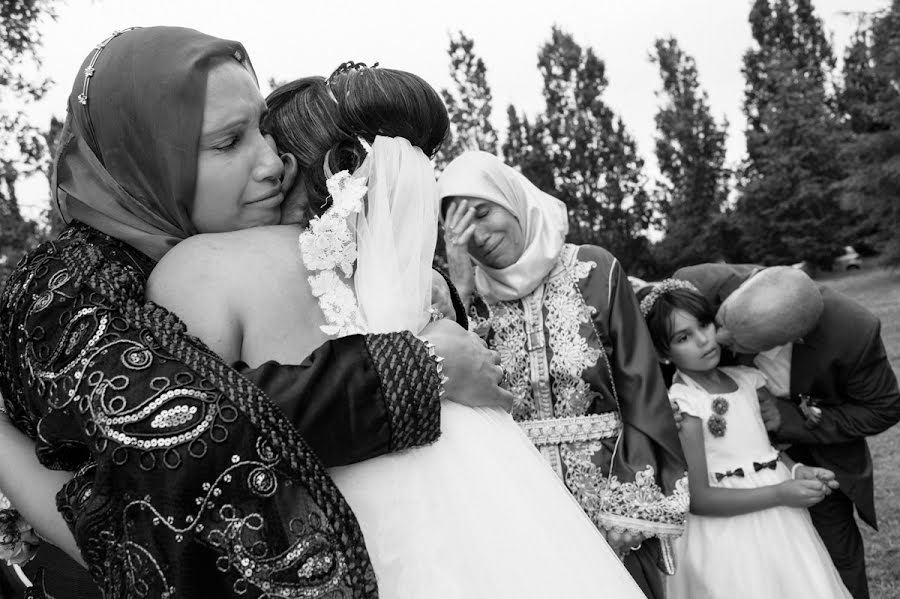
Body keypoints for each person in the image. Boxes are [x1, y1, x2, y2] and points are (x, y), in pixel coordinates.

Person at [0, 27, 509, 599]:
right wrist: (415, 367)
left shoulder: (207, 250)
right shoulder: (67, 287)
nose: (274, 163)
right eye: (229, 142)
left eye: (265, 130)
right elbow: (181, 444)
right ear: (142, 160)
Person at [144, 63, 647, 598]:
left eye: (261, 145)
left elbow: (173, 453)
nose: (262, 165)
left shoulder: (202, 267)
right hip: (489, 510)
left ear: (289, 164)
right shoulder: (406, 284)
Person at [439, 151, 689, 599]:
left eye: (484, 211)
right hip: (522, 504)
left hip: (612, 494)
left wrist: (629, 505)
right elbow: (459, 403)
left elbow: (643, 390)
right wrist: (460, 289)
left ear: (512, 199)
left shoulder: (595, 269)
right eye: (461, 228)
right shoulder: (464, 303)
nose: (478, 234)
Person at [674, 264, 900, 599]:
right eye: (721, 321)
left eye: (736, 339)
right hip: (719, 464)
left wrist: (791, 419)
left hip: (815, 460)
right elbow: (646, 339)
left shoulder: (853, 331)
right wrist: (662, 407)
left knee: (834, 564)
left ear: (788, 340)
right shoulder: (700, 286)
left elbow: (884, 407)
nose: (718, 340)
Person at [640, 279, 851, 598]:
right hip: (729, 536)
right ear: (663, 353)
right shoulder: (684, 406)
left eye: (704, 325)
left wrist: (795, 471)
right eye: (683, 337)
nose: (702, 341)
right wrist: (780, 493)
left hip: (782, 523)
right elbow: (699, 499)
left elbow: (763, 451)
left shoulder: (748, 380)